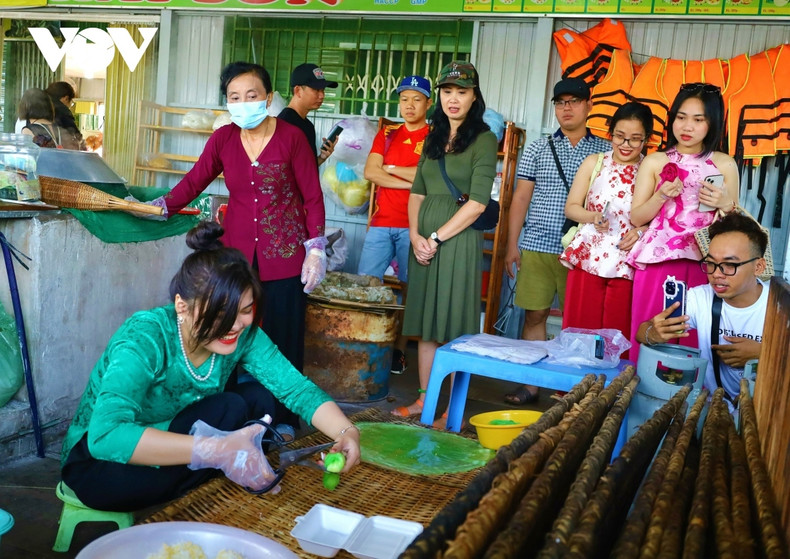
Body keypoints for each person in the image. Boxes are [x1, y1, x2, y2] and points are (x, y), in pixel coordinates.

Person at [60, 221, 360, 512]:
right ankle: (214, 471)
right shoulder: (145, 337)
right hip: (100, 463)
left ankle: (212, 470)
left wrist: (346, 432)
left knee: (248, 402)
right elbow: (105, 436)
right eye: (220, 313)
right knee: (229, 427)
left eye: (244, 310)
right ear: (182, 306)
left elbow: (297, 390)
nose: (234, 325)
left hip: (171, 436)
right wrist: (215, 450)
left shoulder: (244, 334)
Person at [151, 62, 328, 435]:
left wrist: (315, 248)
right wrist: (163, 204)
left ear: (267, 97)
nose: (244, 103)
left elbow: (312, 196)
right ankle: (226, 416)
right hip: (236, 259)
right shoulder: (224, 140)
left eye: (252, 95)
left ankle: (284, 420)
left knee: (283, 339)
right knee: (226, 334)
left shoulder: (291, 137)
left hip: (284, 257)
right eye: (235, 97)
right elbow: (195, 179)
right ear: (227, 102)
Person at [395, 61, 497, 423]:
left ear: (474, 96)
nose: (454, 99)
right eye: (448, 91)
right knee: (425, 322)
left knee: (452, 326)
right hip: (423, 243)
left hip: (457, 242)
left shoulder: (484, 140)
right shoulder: (433, 137)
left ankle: (451, 409)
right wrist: (415, 235)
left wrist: (436, 237)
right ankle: (425, 400)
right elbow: (417, 193)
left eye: (462, 91)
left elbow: (477, 203)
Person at [503, 77, 610, 405]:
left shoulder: (605, 150)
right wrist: (511, 244)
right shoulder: (537, 146)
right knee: (533, 316)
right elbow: (520, 198)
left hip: (584, 250)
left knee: (578, 322)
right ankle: (531, 383)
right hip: (537, 244)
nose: (567, 108)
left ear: (589, 105)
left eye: (574, 101)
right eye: (561, 102)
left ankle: (572, 388)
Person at [627, 83, 739, 362]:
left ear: (713, 123)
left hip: (706, 263)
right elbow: (636, 217)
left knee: (694, 338)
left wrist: (724, 204)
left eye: (698, 119)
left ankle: (691, 402)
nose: (687, 126)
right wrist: (660, 196)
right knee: (652, 333)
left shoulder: (724, 164)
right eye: (681, 116)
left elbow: (735, 227)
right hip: (658, 262)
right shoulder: (655, 161)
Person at [635, 213, 768, 403]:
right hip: (718, 409)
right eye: (711, 263)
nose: (716, 274)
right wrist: (652, 333)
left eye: (729, 265)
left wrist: (764, 353)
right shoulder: (700, 298)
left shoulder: (780, 306)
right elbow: (642, 332)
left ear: (759, 267)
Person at [559, 102, 653, 356]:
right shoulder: (595, 162)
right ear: (610, 133)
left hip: (627, 261)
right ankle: (572, 391)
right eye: (620, 136)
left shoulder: (650, 169)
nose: (626, 145)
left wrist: (642, 230)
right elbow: (571, 207)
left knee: (618, 333)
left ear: (647, 140)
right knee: (581, 327)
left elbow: (659, 218)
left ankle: (613, 393)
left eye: (635, 139)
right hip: (589, 256)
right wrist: (592, 216)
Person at [358, 75, 432, 376]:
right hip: (381, 222)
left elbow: (428, 177)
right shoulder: (387, 134)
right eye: (404, 99)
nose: (409, 105)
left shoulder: (434, 136)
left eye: (416, 99)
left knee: (410, 290)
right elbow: (370, 172)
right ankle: (364, 345)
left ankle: (398, 351)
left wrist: (389, 168)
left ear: (428, 103)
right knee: (366, 285)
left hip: (415, 225)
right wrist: (407, 178)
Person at [278, 62, 340, 167]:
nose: (322, 96)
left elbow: (305, 169)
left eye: (323, 90)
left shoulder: (308, 126)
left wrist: (322, 157)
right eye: (316, 90)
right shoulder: (284, 124)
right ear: (298, 90)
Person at [45, 81, 85, 151]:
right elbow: (76, 135)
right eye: (71, 102)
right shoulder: (62, 110)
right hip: (53, 152)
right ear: (66, 98)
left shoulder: (36, 105)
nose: (70, 105)